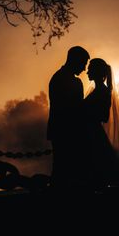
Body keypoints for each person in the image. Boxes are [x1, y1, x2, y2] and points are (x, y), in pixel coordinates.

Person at [83, 58, 119, 189]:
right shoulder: (97, 91)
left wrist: (88, 115)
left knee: (101, 167)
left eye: (90, 69)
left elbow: (105, 116)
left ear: (97, 72)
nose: (87, 72)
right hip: (91, 132)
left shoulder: (103, 92)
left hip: (94, 134)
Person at [47, 46, 90, 189]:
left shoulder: (56, 77)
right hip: (70, 132)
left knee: (60, 169)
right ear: (75, 60)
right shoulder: (74, 82)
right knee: (67, 171)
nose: (84, 69)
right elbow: (78, 110)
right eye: (83, 63)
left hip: (58, 130)